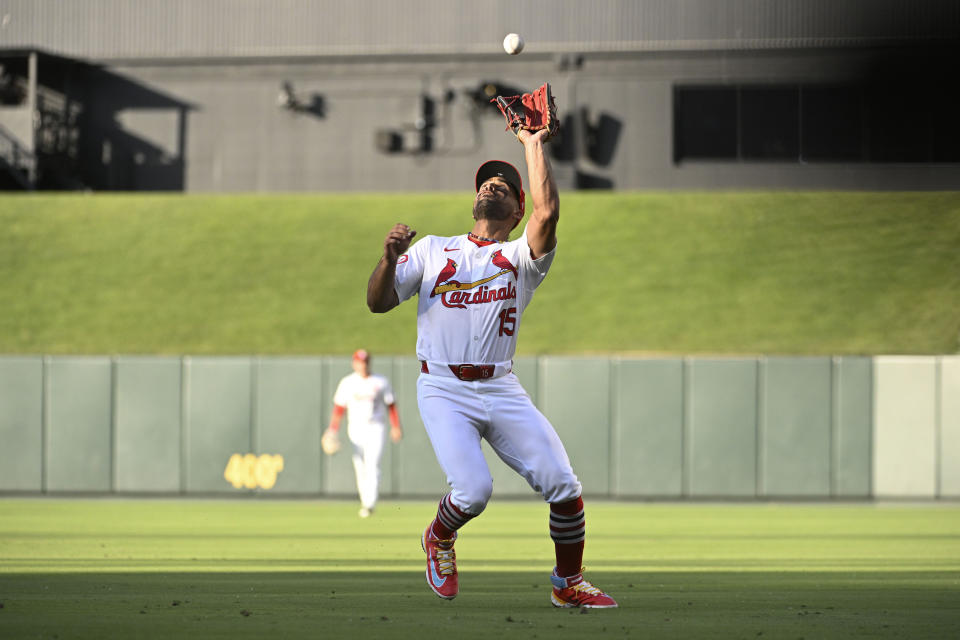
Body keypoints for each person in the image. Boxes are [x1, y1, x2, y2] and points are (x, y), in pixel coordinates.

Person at [365, 125, 617, 608]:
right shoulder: (434, 248)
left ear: (518, 209)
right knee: (474, 491)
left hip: (500, 387)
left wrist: (532, 145)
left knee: (563, 484)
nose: (491, 185)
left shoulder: (522, 257)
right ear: (474, 200)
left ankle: (568, 584)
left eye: (504, 184)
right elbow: (377, 303)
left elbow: (550, 212)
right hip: (442, 386)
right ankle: (438, 538)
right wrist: (388, 257)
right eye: (486, 182)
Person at [322, 349, 403, 518]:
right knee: (359, 465)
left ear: (369, 362)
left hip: (376, 427)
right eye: (359, 361)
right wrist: (332, 429)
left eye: (365, 361)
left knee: (372, 464)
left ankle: (369, 503)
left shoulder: (380, 381)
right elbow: (339, 409)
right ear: (354, 363)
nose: (362, 364)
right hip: (356, 427)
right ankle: (365, 500)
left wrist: (396, 426)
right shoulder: (347, 382)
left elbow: (391, 404)